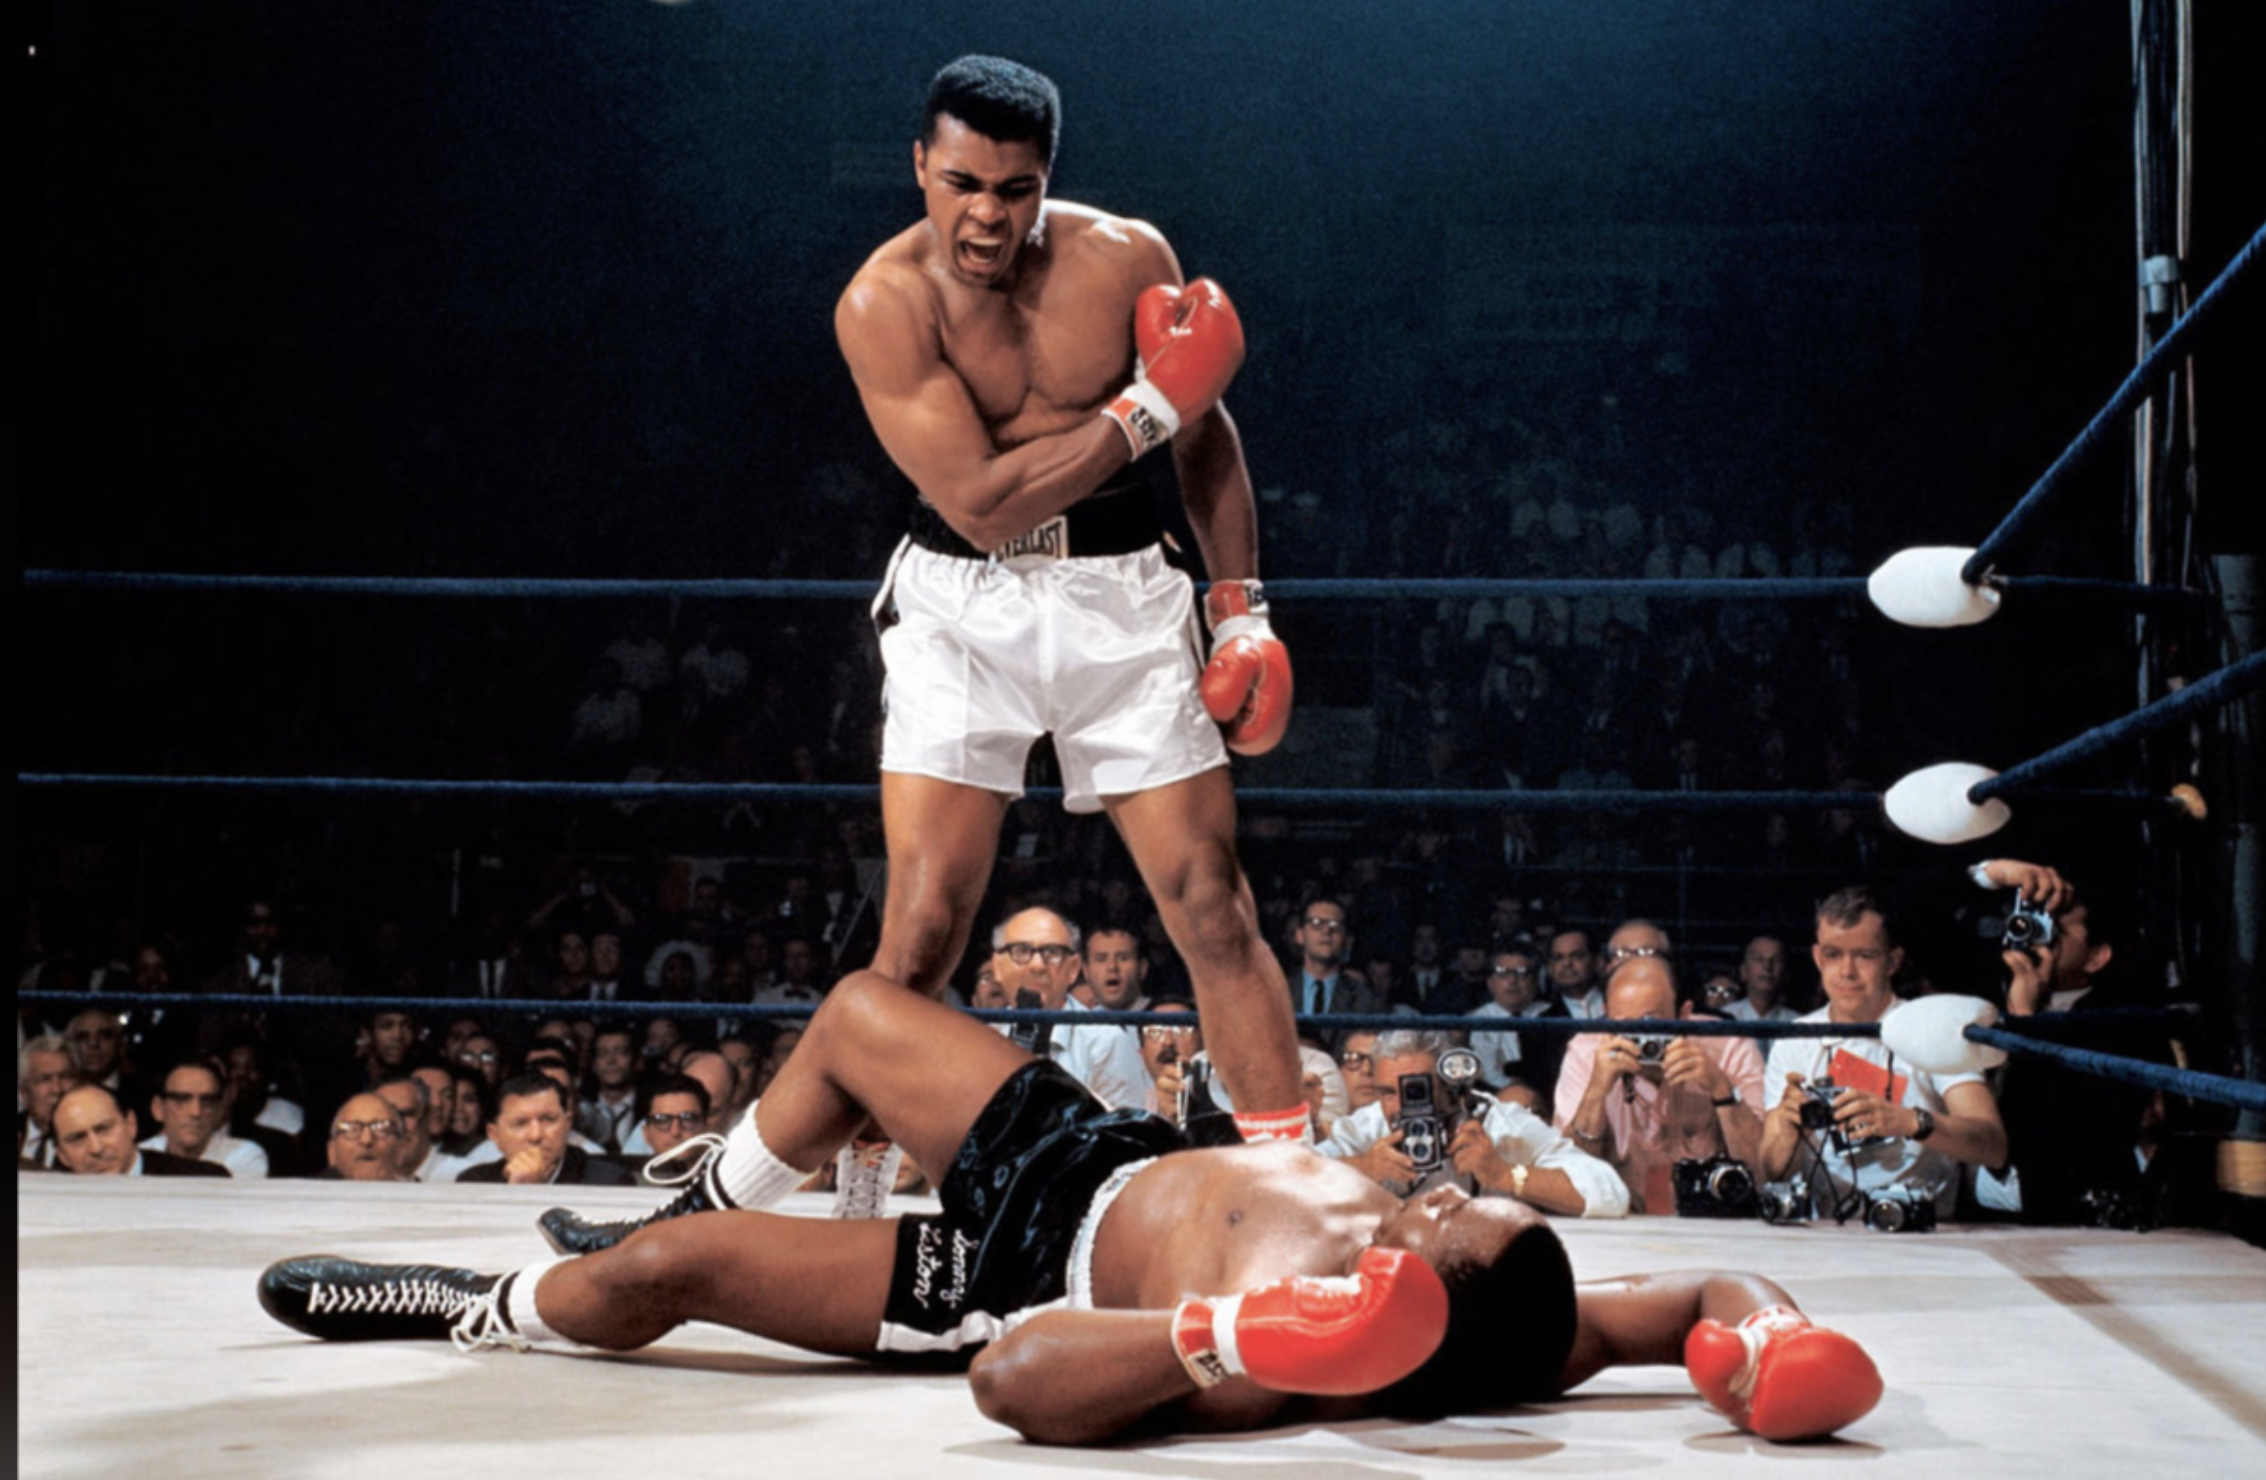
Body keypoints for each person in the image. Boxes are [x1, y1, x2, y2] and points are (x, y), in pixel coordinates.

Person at [260, 969, 1882, 1445]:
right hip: (1092, 1142)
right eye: (1451, 1205)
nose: (1430, 1198)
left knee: (668, 1274)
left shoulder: (1322, 1355)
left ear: (1426, 1306)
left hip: (1017, 1263)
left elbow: (1013, 1380)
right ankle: (686, 1181)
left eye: (1433, 1230)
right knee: (858, 1014)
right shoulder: (1540, 1309)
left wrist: (1243, 1333)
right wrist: (1774, 1347)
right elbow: (1698, 1297)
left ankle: (483, 1308)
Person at [829, 54, 1306, 1140]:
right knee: (921, 930)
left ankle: (1290, 1182)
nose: (986, 216)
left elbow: (1203, 431)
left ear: (1047, 177)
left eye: (1015, 189)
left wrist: (1240, 607)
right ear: (919, 165)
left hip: (1123, 590)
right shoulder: (883, 303)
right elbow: (983, 505)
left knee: (1210, 901)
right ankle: (854, 1203)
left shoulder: (1127, 257)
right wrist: (1142, 411)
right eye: (962, 184)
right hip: (963, 603)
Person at [1758, 887, 2007, 1222]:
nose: (1847, 971)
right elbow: (1773, 1171)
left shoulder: (1934, 1028)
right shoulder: (1795, 1039)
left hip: (1927, 1232)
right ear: (1817, 958)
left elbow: (1992, 1146)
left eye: (1864, 956)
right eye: (1833, 955)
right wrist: (1788, 1131)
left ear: (1892, 961)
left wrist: (1911, 1122)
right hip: (1829, 1232)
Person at [1967, 858, 2172, 1225]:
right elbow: (1917, 911)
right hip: (1979, 1209)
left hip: (2069, 1212)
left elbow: (2064, 1129)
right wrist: (1995, 873)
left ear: (2096, 957)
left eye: (2056, 929)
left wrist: (2028, 1020)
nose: (2037, 934)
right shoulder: (1982, 985)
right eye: (2033, 920)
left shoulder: (2120, 1024)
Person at [1319, 1029, 1628, 1220]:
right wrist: (1363, 1168)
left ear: (1449, 1087)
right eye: (1387, 1093)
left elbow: (1610, 1195)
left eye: (1416, 1091)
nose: (1400, 1106)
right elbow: (1296, 1177)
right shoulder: (1366, 1130)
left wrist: (1505, 1174)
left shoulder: (1500, 1125)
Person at [1552, 956, 1765, 1215]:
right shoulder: (1586, 1051)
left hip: (1713, 1219)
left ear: (1683, 1015)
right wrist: (1595, 1093)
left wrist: (1722, 1091)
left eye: (1650, 1024)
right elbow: (1569, 1176)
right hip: (1622, 1219)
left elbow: (1762, 1171)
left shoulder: (1729, 1046)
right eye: (1623, 1025)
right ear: (1606, 1015)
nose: (1638, 1039)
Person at [456, 1074, 637, 1188]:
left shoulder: (608, 1181)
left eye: (548, 1120)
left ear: (567, 1124)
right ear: (494, 1135)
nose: (536, 1135)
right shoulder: (474, 1183)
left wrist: (532, 1191)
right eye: (520, 1123)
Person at [1462, 943, 1568, 1111]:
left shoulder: (1554, 1015)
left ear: (1535, 980)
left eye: (1522, 973)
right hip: (1494, 1100)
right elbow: (1486, 1071)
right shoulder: (1476, 1020)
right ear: (1490, 982)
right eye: (1503, 973)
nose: (1512, 981)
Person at [53, 1083, 228, 1177]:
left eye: (104, 1129)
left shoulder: (201, 1180)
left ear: (130, 1125)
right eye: (78, 1138)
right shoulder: (52, 1200)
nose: (96, 1148)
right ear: (62, 1155)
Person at [141, 1057, 271, 1178]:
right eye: (182, 1099)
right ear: (158, 1109)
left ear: (219, 1111)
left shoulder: (244, 1157)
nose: (196, 1112)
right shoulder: (140, 1156)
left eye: (207, 1102)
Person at [323, 1093, 410, 1182]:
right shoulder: (313, 1189)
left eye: (381, 1129)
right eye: (353, 1129)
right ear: (332, 1151)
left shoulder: (417, 1190)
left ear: (401, 1150)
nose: (366, 1140)